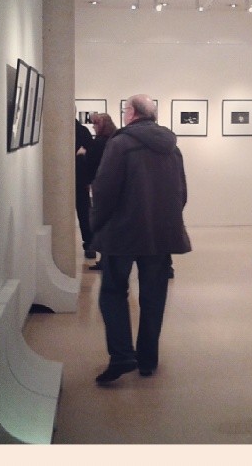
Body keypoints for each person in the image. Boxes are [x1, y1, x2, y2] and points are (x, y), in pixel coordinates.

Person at [90, 94, 192, 385]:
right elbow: (181, 192)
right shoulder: (171, 147)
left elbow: (104, 190)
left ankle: (122, 355)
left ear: (132, 113)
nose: (124, 114)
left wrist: (97, 224)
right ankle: (147, 359)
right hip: (158, 234)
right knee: (154, 295)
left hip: (121, 233)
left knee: (112, 292)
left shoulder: (120, 144)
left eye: (125, 109)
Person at [85, 113, 118, 270]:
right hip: (115, 187)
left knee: (103, 223)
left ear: (102, 125)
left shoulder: (98, 143)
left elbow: (91, 163)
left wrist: (83, 155)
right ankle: (108, 259)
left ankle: (106, 260)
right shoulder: (116, 140)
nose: (93, 127)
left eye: (95, 124)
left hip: (101, 187)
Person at [75, 117, 95, 259]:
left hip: (80, 178)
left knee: (84, 212)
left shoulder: (81, 131)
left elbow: (90, 155)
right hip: (81, 178)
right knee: (84, 212)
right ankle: (89, 243)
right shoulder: (83, 131)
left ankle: (89, 243)